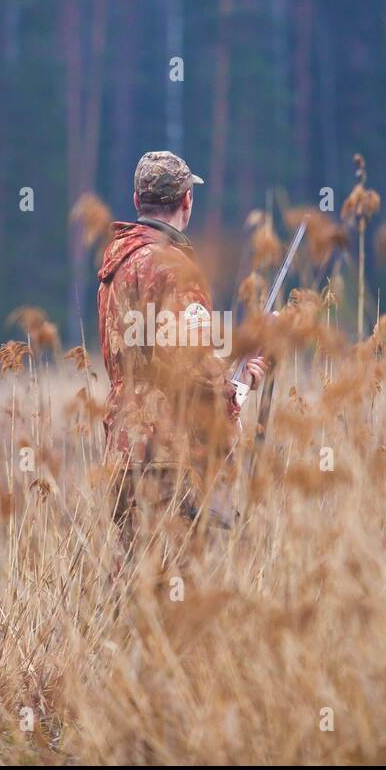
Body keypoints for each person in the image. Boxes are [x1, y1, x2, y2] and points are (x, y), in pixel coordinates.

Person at [97, 151, 267, 547]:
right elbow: (189, 365)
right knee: (175, 583)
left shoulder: (117, 266)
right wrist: (234, 392)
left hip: (122, 446)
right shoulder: (175, 268)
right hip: (168, 450)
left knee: (133, 579)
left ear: (138, 201)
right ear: (187, 201)